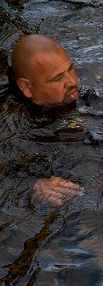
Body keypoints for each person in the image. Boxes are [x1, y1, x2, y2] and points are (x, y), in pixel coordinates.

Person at [4, 34, 85, 206]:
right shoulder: (11, 122)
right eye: (57, 78)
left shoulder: (88, 93)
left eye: (71, 69)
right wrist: (32, 186)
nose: (71, 82)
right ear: (26, 87)